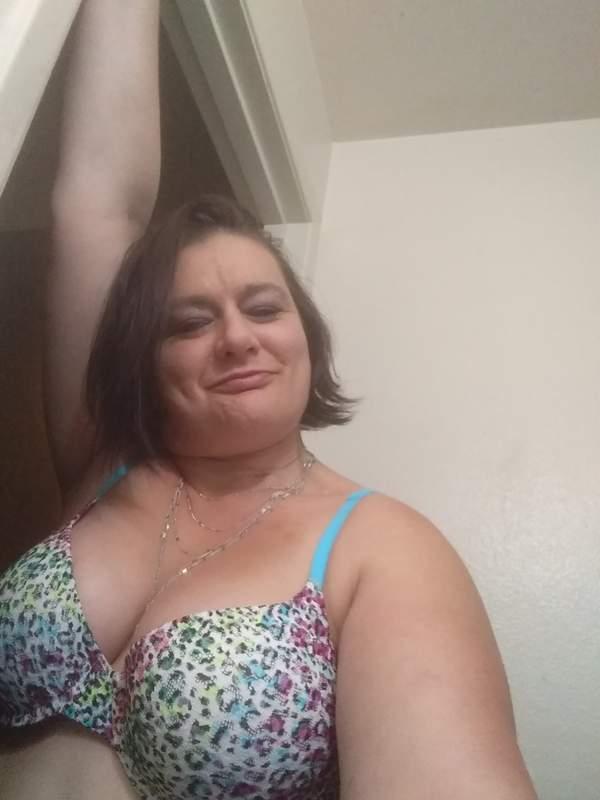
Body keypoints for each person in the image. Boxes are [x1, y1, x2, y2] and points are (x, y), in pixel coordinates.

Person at [0, 2, 538, 798]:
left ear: (306, 339)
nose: (235, 338)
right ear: (144, 358)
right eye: (190, 322)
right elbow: (97, 201)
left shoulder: (381, 548)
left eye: (262, 308)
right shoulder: (105, 455)